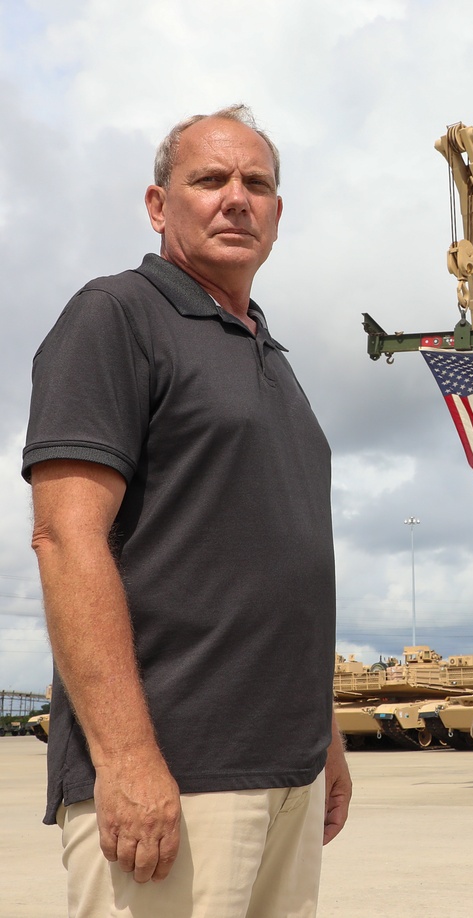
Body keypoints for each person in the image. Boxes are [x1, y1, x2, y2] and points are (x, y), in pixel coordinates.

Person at [23, 104, 351, 917]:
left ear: (279, 213)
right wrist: (127, 760)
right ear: (159, 205)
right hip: (175, 777)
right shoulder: (117, 317)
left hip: (287, 774)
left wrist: (326, 737)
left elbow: (279, 561)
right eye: (209, 179)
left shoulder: (269, 354)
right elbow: (66, 538)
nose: (236, 198)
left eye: (258, 184)